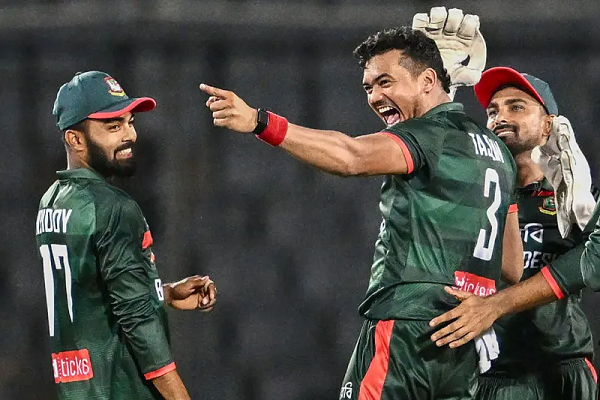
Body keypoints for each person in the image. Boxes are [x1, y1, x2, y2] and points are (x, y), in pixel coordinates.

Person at [199, 27, 523, 399]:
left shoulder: (428, 135)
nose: (375, 97)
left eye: (385, 82)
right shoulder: (500, 154)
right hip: (465, 340)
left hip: (409, 330)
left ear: (427, 81)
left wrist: (260, 121)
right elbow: (512, 266)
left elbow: (352, 157)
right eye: (368, 87)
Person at [411, 9, 598, 398]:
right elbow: (414, 158)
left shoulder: (577, 198)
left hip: (562, 368)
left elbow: (592, 263)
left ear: (548, 125)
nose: (499, 117)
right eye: (492, 111)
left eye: (517, 106)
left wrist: (495, 305)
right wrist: (427, 92)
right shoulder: (471, 194)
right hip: (493, 375)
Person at [36, 71, 217, 400]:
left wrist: (163, 293)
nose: (130, 135)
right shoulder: (113, 208)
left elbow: (90, 294)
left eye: (129, 122)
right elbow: (139, 323)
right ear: (75, 139)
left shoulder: (51, 201)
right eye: (113, 127)